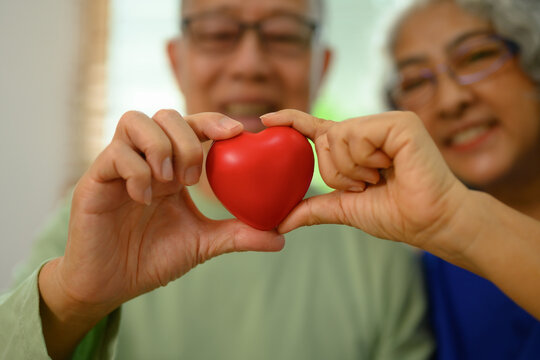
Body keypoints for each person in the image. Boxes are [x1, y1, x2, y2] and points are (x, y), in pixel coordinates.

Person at [0, 0, 434, 359]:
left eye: (284, 34)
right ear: (176, 60)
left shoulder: (377, 250)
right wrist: (75, 298)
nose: (249, 65)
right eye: (217, 33)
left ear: (321, 66)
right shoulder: (96, 223)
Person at [260, 0, 540, 359]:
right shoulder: (424, 273)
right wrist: (450, 219)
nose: (451, 101)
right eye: (415, 81)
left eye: (476, 57)